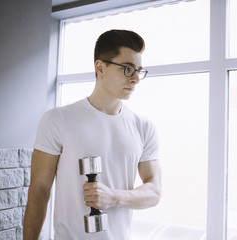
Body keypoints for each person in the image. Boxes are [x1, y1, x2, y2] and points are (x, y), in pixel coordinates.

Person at [23, 29, 162, 240]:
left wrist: (114, 197)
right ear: (100, 67)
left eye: (139, 70)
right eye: (127, 68)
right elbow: (39, 190)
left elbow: (154, 191)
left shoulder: (143, 126)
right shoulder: (58, 119)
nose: (135, 79)